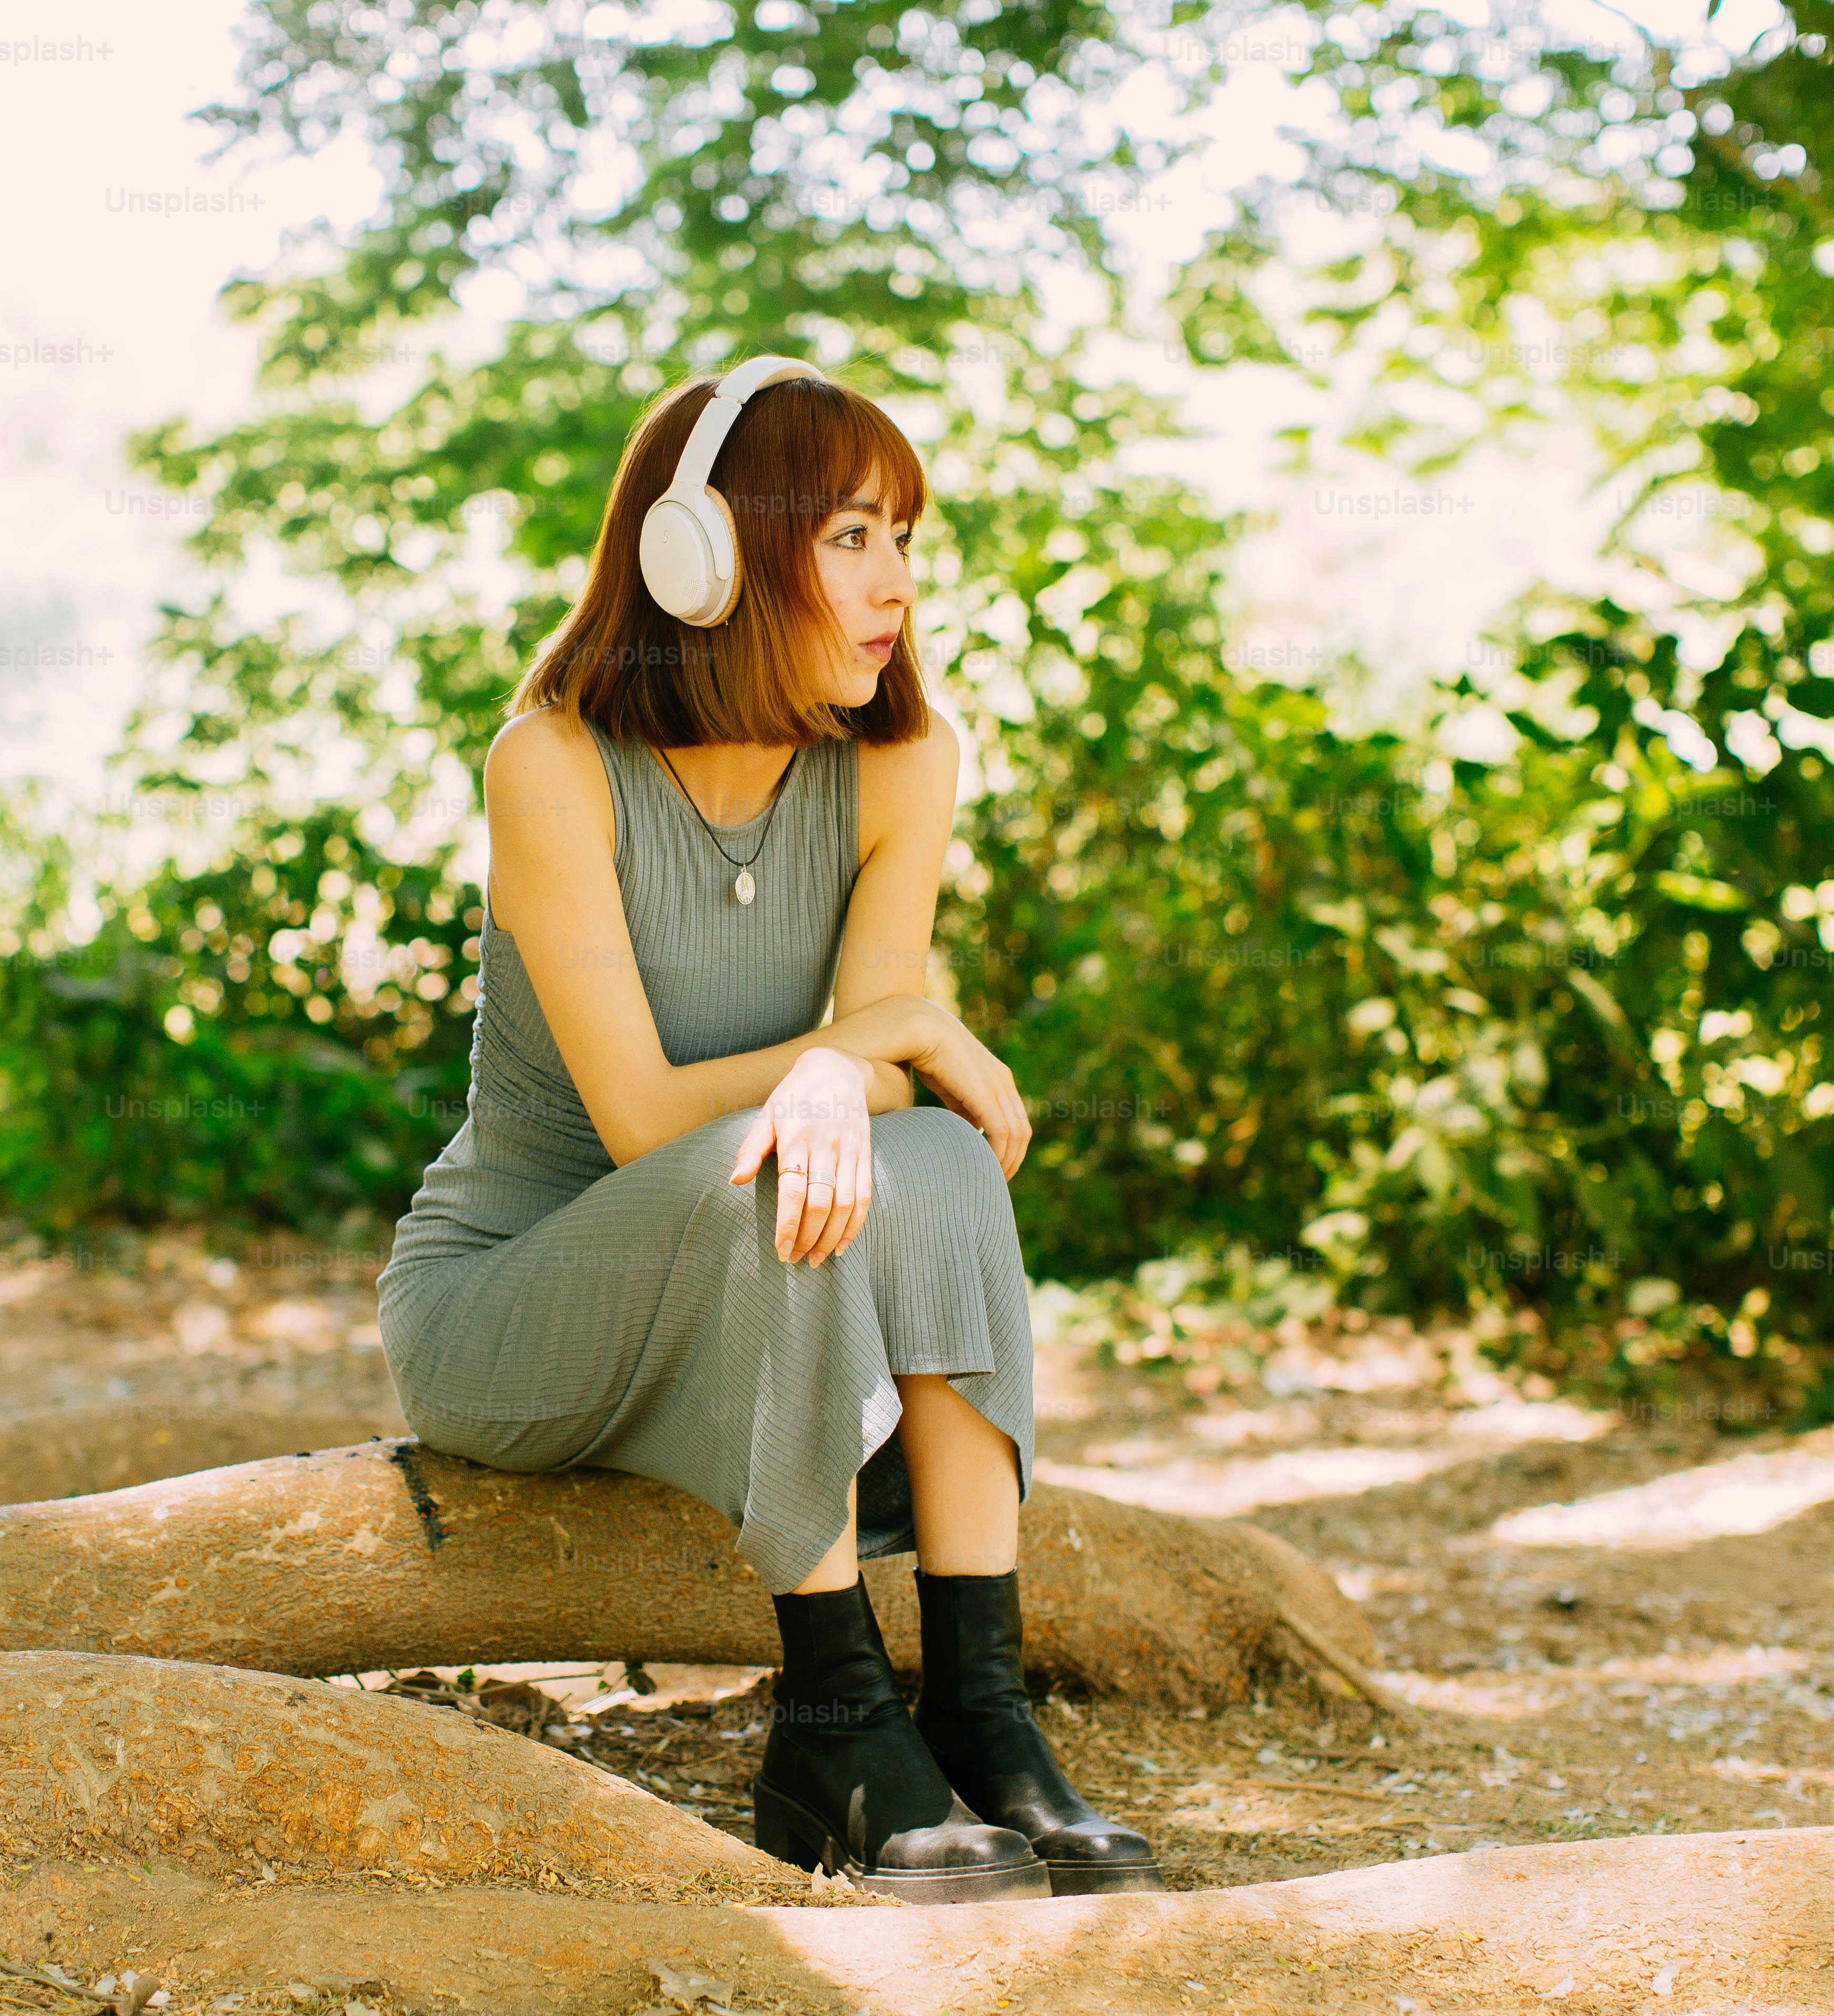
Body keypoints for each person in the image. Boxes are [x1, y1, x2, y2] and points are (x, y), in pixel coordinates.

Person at [375, 356, 1160, 1903]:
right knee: (780, 1162)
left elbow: (865, 1075)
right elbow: (643, 1116)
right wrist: (891, 1043)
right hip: (520, 1300)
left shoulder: (901, 761)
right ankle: (832, 1721)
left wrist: (868, 1058)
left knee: (919, 1151)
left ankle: (979, 1712)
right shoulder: (553, 763)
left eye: (908, 539)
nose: (898, 585)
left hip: (743, 1290)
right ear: (711, 553)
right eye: (854, 537)